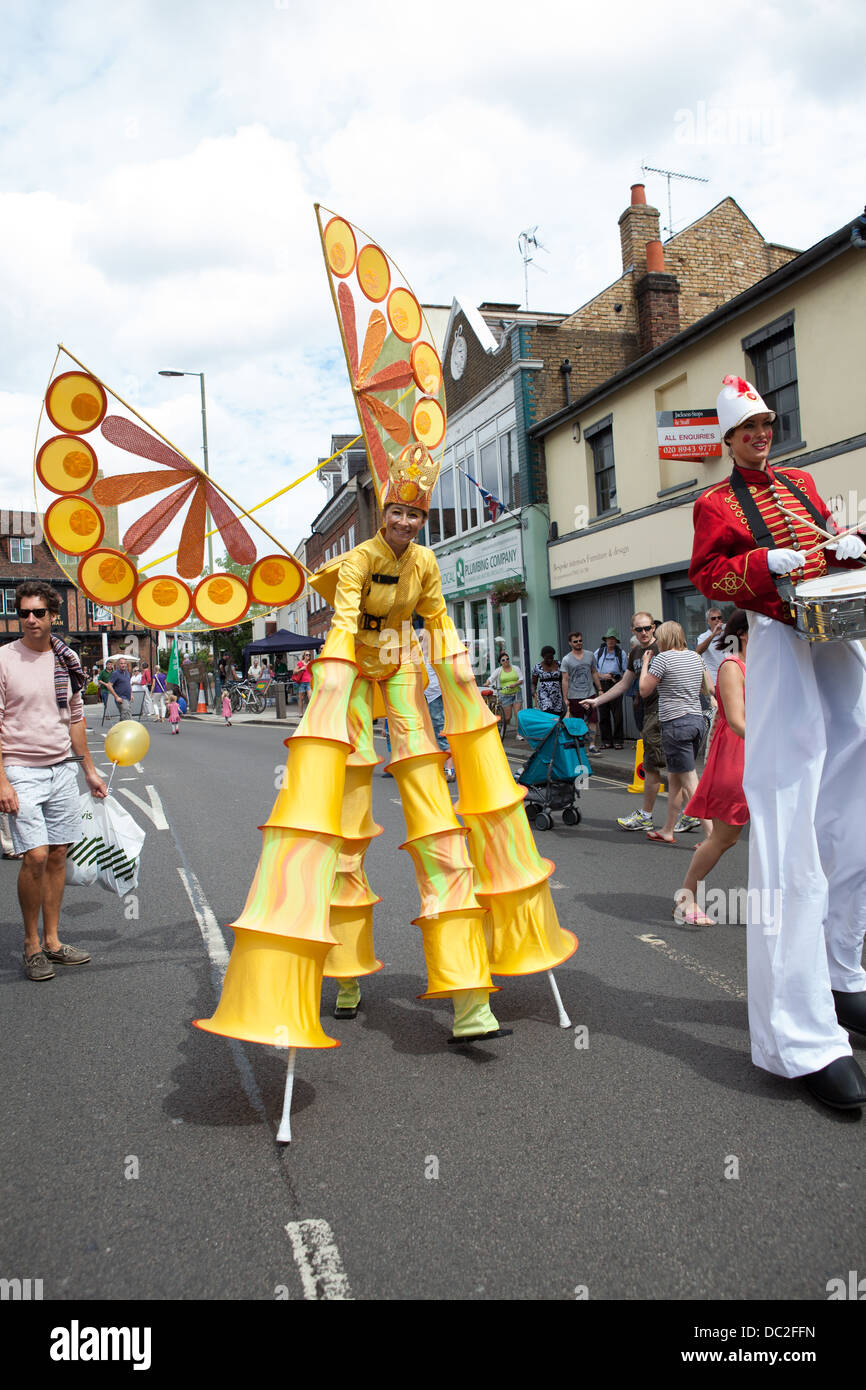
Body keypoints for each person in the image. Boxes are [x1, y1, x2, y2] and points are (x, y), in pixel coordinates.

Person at [197, 449, 574, 1048]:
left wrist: (462, 686)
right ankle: (346, 975)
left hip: (401, 673)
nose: (405, 523)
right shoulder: (355, 561)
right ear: (384, 512)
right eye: (397, 512)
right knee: (344, 825)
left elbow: (438, 621)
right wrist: (333, 685)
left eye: (415, 515)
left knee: (436, 820)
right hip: (351, 672)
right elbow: (344, 622)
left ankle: (469, 993)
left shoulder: (425, 562)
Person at [689, 373, 866, 1110]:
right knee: (789, 820)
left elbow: (828, 542)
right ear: (728, 440)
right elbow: (708, 578)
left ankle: (843, 974)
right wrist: (766, 565)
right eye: (748, 429)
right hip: (778, 636)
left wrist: (850, 543)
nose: (762, 435)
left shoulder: (802, 481)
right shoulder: (714, 502)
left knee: (854, 817)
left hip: (839, 629)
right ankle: (798, 1036)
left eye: (766, 424)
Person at [0, 582, 107, 981]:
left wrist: (89, 770)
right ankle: (30, 945)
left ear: (52, 616)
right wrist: (2, 783)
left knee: (59, 853)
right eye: (24, 613)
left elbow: (75, 718)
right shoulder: (5, 659)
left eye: (38, 613)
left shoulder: (66, 659)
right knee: (36, 855)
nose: (30, 619)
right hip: (21, 769)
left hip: (62, 767)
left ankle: (53, 941)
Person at [674, 611, 749, 927]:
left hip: (766, 757)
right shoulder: (732, 666)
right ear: (743, 633)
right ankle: (686, 898)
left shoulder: (768, 666)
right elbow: (736, 721)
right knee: (725, 837)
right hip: (738, 756)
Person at [584, 612, 683, 832]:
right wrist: (597, 700)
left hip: (664, 712)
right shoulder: (636, 652)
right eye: (639, 629)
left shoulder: (664, 647)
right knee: (673, 767)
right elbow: (623, 684)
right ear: (632, 631)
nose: (644, 633)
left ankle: (649, 815)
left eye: (648, 628)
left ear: (654, 627)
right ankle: (688, 814)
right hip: (649, 713)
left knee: (656, 766)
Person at [638, 621, 713, 845]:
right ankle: (668, 829)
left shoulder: (662, 659)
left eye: (659, 637)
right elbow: (707, 687)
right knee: (675, 778)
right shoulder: (695, 657)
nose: (658, 642)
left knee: (690, 780)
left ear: (666, 638)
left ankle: (711, 836)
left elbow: (644, 690)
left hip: (675, 723)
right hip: (696, 721)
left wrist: (645, 664)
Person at [560, 632, 600, 749]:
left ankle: (592, 745)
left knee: (593, 720)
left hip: (590, 694)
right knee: (577, 721)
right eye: (575, 641)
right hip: (575, 696)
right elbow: (565, 679)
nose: (578, 643)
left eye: (580, 641)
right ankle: (579, 744)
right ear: (570, 643)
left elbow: (594, 672)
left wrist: (600, 689)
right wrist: (565, 698)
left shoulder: (590, 655)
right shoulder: (566, 659)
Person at [594, 629, 628, 747]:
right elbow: (593, 671)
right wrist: (603, 676)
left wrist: (617, 678)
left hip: (615, 684)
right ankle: (606, 741)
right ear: (606, 639)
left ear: (616, 641)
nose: (611, 641)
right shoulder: (599, 652)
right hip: (602, 684)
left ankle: (618, 741)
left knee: (617, 714)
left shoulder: (621, 653)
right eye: (609, 638)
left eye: (613, 639)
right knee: (603, 714)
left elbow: (625, 671)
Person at [423, 658, 454, 780]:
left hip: (435, 694)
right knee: (435, 731)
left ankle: (449, 769)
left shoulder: (434, 651)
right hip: (431, 694)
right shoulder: (426, 653)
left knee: (440, 730)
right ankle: (444, 767)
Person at [487, 651, 523, 739]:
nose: (506, 661)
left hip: (516, 693)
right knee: (507, 717)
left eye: (507, 659)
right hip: (504, 695)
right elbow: (491, 678)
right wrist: (487, 683)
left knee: (517, 714)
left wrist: (515, 684)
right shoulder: (499, 670)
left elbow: (521, 678)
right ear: (500, 662)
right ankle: (503, 728)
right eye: (503, 660)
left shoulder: (515, 668)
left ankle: (519, 734)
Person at [531, 646, 566, 716]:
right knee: (548, 712)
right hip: (544, 694)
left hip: (557, 695)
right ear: (543, 657)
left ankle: (555, 727)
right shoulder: (537, 667)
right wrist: (533, 691)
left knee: (557, 715)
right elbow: (534, 682)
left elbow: (564, 679)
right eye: (548, 658)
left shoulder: (559, 664)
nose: (550, 659)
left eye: (551, 657)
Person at [293, 651, 312, 717]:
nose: (308, 656)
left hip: (309, 683)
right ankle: (301, 713)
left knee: (310, 697)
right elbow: (294, 672)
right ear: (304, 656)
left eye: (309, 655)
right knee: (301, 698)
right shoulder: (300, 663)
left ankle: (310, 712)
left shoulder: (310, 663)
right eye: (307, 655)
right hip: (302, 683)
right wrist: (301, 669)